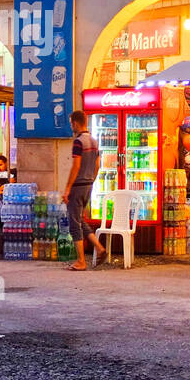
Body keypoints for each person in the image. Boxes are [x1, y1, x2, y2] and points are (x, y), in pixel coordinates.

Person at [63, 110, 107, 270]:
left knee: (74, 223)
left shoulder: (78, 142)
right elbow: (97, 165)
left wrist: (67, 188)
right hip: (89, 185)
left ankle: (81, 261)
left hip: (78, 186)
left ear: (75, 123)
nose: (71, 126)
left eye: (71, 123)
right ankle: (99, 247)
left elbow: (76, 166)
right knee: (80, 220)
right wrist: (92, 180)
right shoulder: (94, 141)